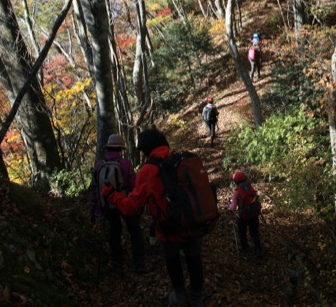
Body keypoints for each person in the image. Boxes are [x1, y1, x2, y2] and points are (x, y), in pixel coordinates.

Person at [103, 128, 205, 307]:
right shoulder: (180, 160)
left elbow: (130, 207)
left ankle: (180, 296)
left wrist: (112, 195)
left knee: (172, 259)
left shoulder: (148, 170)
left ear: (145, 149)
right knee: (194, 258)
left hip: (169, 226)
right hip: (193, 220)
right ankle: (197, 297)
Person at [91, 134, 145, 274]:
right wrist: (138, 204)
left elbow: (94, 189)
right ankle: (139, 262)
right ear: (120, 149)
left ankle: (117, 261)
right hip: (124, 202)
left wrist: (95, 209)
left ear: (108, 148)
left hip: (108, 205)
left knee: (114, 232)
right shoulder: (125, 164)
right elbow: (134, 185)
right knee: (134, 230)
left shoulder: (99, 165)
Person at [228, 170, 263, 260]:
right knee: (254, 233)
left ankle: (245, 248)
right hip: (254, 215)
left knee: (242, 232)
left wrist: (229, 206)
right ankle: (258, 249)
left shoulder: (237, 192)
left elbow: (233, 208)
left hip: (243, 216)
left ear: (235, 182)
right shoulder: (251, 188)